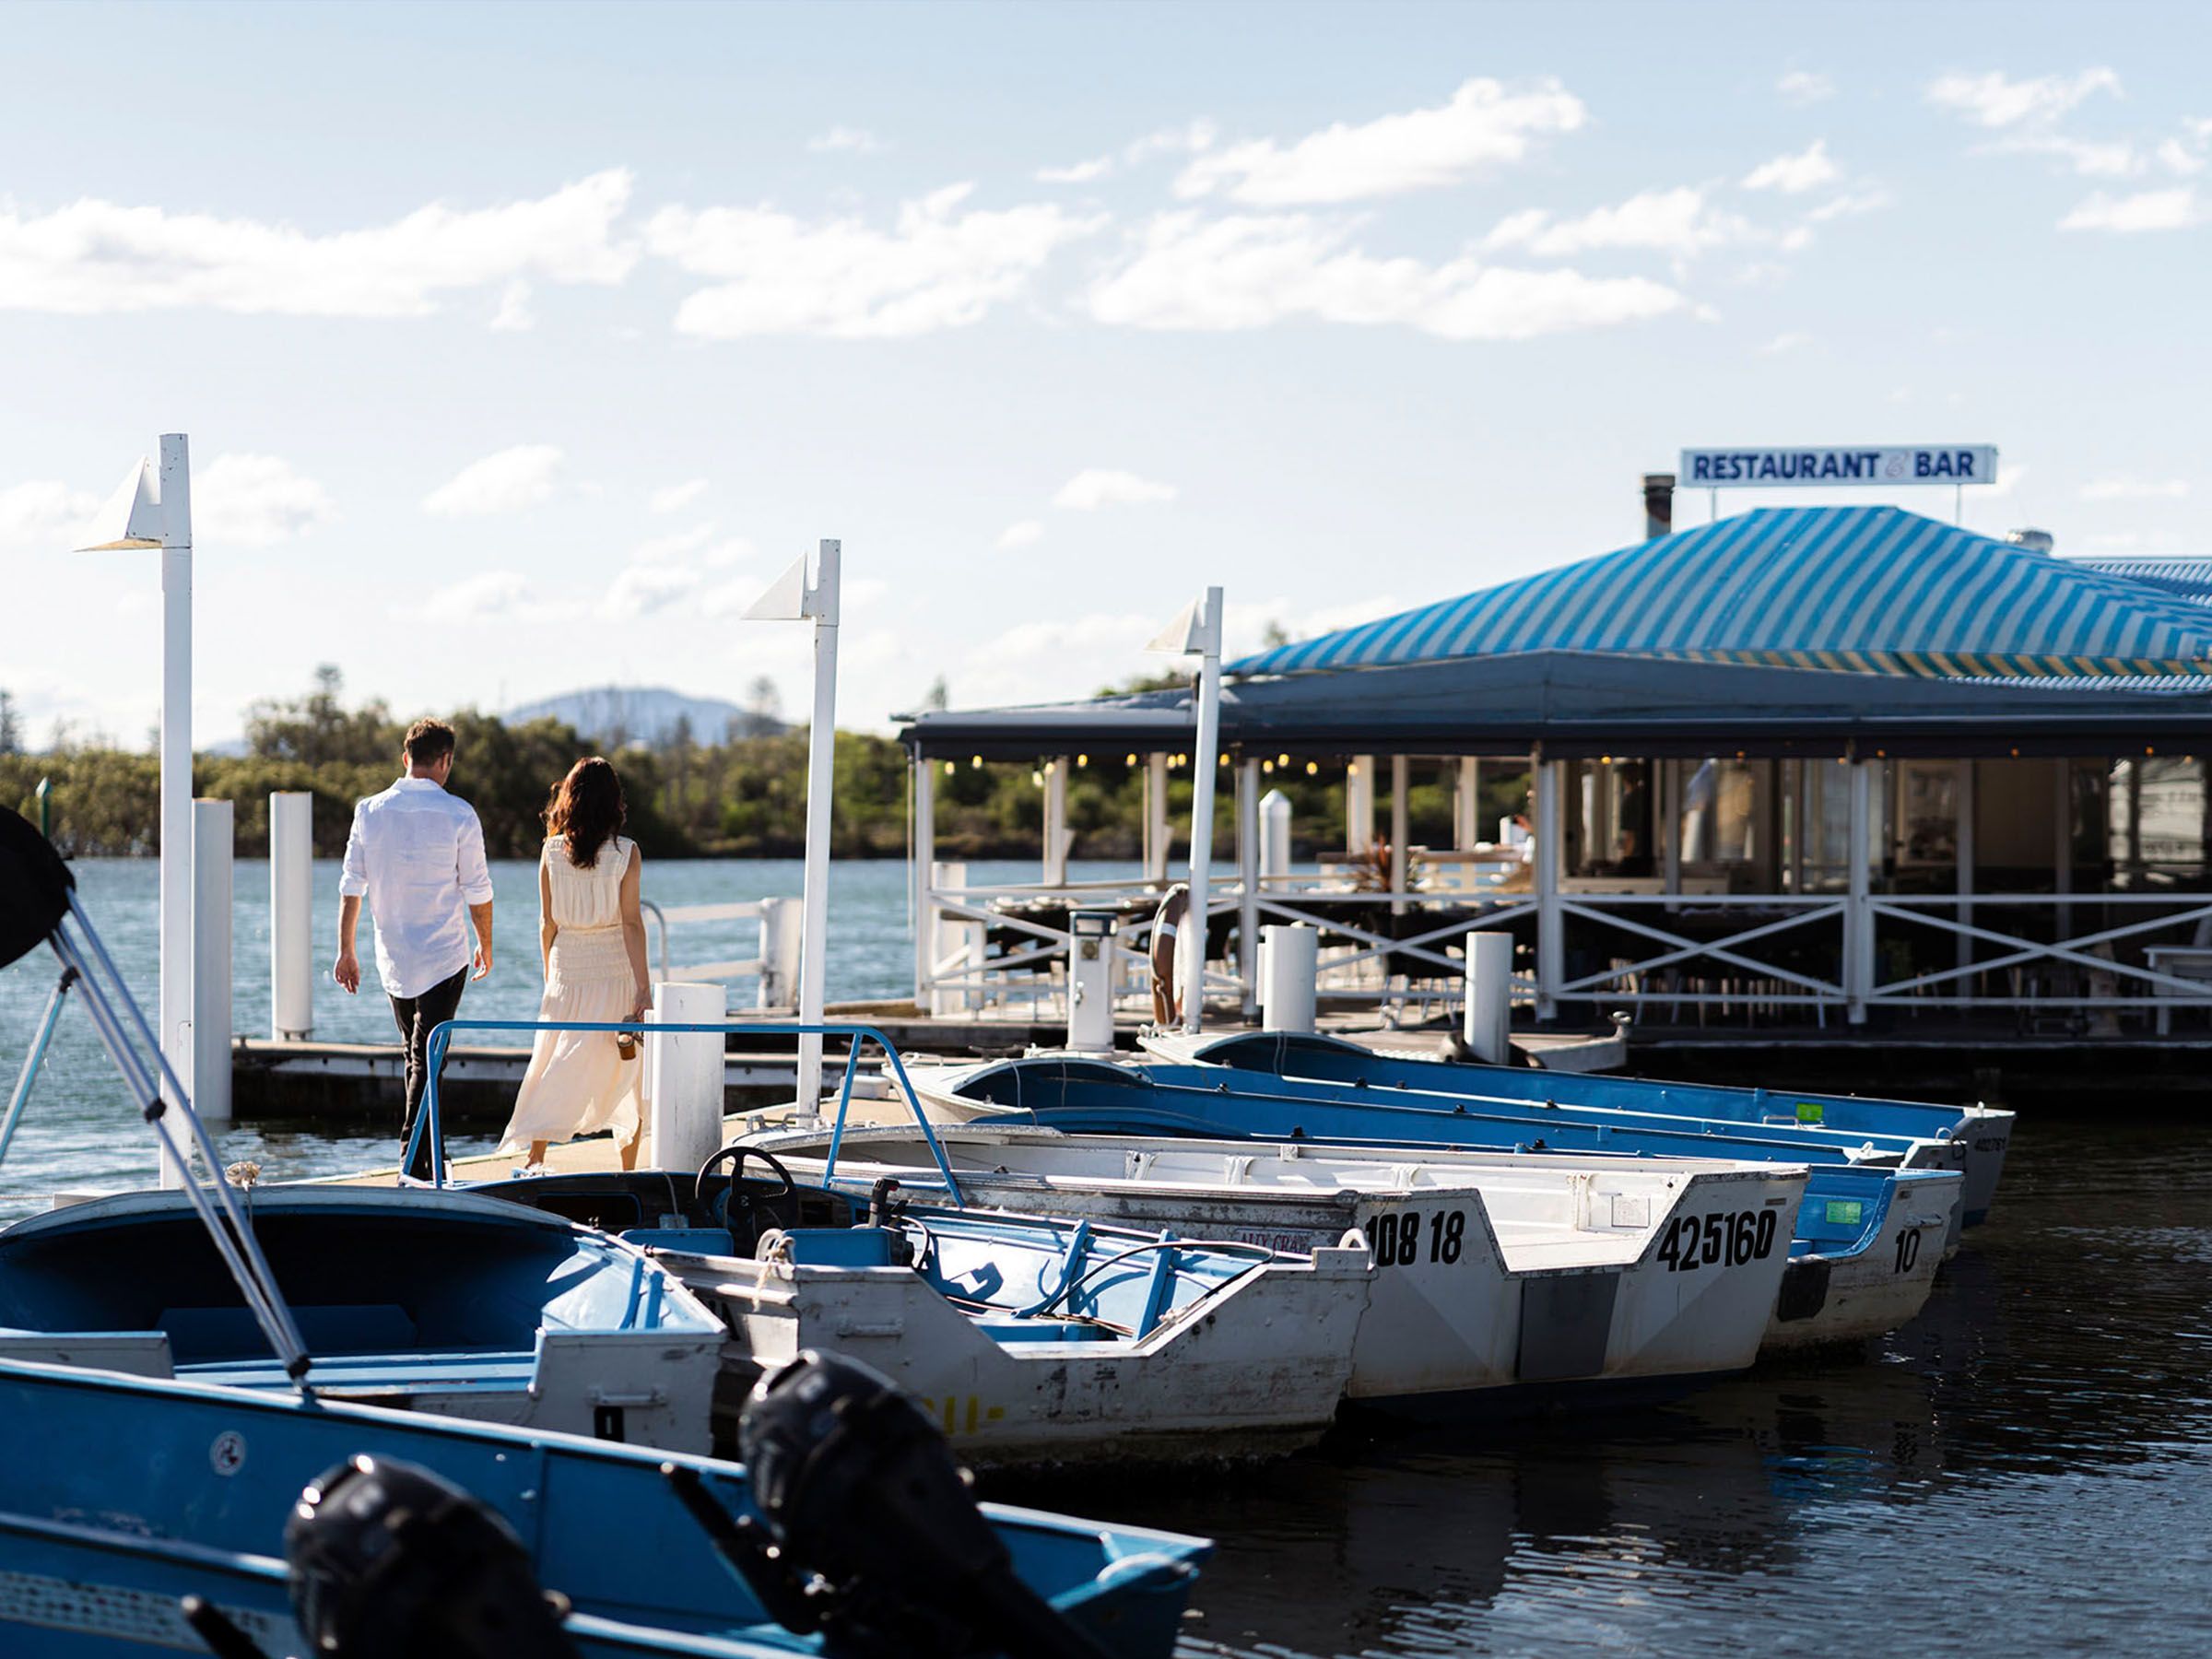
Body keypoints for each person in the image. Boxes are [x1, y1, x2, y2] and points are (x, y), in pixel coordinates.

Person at [335, 718, 494, 1180]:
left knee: (417, 1054)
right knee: (427, 1056)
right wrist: (486, 942)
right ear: (445, 761)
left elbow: (351, 886)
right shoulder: (460, 814)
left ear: (406, 758)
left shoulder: (368, 810)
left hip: (393, 956)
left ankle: (426, 1159)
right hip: (445, 955)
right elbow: (478, 891)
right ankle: (413, 1154)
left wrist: (346, 950)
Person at [495, 758, 652, 1171]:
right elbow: (632, 924)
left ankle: (535, 1159)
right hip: (614, 966)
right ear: (614, 801)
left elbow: (546, 924)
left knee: (554, 1060)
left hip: (566, 968)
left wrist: (551, 975)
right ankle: (628, 1170)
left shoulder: (550, 851)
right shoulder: (627, 853)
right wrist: (644, 986)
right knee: (626, 1068)